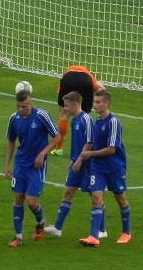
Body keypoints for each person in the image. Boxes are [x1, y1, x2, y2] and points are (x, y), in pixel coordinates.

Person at [43, 91, 106, 239]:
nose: (64, 108)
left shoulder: (86, 119)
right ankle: (57, 228)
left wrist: (79, 160)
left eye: (66, 106)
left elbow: (90, 142)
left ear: (76, 105)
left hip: (88, 165)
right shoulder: (74, 120)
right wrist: (73, 160)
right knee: (67, 193)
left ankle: (102, 230)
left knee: (95, 196)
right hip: (76, 163)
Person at [4, 89, 61, 247]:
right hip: (21, 163)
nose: (20, 109)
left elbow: (57, 136)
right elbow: (11, 141)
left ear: (30, 103)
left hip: (36, 165)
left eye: (23, 106)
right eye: (18, 106)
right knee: (18, 198)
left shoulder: (41, 115)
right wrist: (7, 164)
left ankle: (40, 221)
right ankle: (18, 237)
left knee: (31, 201)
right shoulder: (14, 119)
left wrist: (43, 153)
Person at [78, 90, 131, 247]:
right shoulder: (97, 121)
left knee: (120, 199)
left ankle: (126, 232)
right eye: (94, 102)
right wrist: (81, 157)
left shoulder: (113, 122)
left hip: (114, 167)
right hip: (98, 167)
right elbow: (94, 142)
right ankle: (94, 237)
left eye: (98, 102)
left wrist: (91, 153)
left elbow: (112, 149)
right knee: (96, 198)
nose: (95, 104)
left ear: (106, 103)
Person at [51, 65, 105, 157]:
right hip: (86, 81)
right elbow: (102, 89)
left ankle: (58, 148)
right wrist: (92, 98)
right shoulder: (89, 76)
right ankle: (87, 147)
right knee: (85, 116)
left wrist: (63, 114)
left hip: (69, 80)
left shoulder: (66, 76)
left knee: (64, 113)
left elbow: (61, 105)